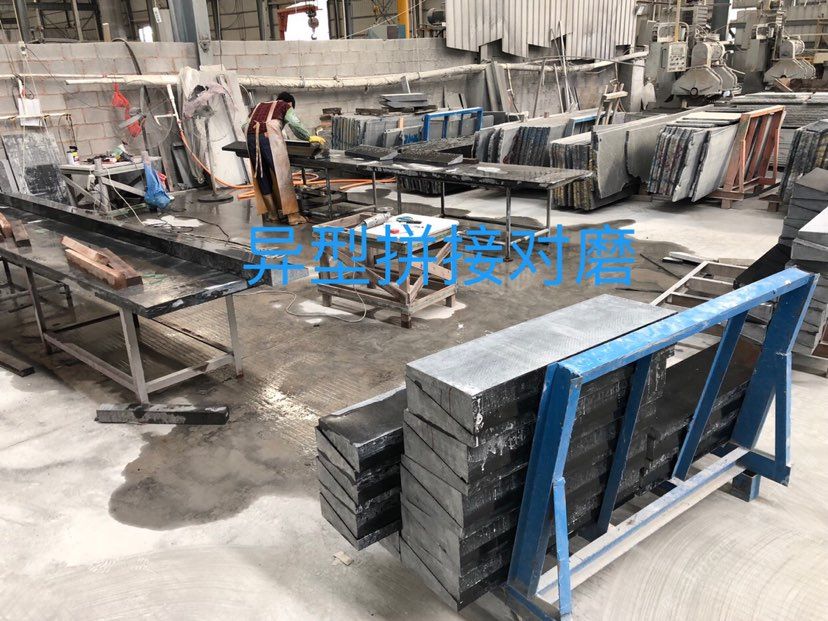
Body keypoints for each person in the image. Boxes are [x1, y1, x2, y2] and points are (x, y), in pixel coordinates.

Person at [245, 92, 325, 225]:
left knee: (262, 175)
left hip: (251, 138)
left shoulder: (259, 106)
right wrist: (308, 137)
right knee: (282, 176)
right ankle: (293, 216)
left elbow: (244, 126)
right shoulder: (284, 106)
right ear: (290, 103)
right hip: (268, 138)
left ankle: (272, 214)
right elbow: (295, 124)